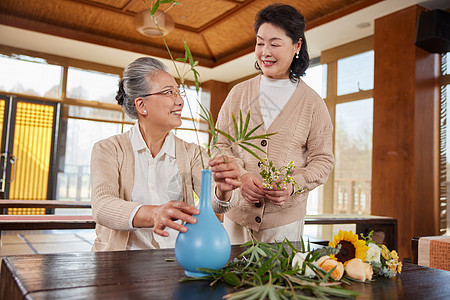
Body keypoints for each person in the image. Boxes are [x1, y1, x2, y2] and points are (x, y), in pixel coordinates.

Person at [90, 57, 241, 251]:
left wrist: (223, 190)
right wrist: (154, 214)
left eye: (179, 92)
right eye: (169, 92)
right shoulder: (108, 149)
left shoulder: (193, 153)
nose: (179, 101)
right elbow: (102, 206)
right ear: (141, 105)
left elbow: (217, 206)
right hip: (119, 264)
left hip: (176, 260)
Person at [214, 4, 334, 244]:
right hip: (238, 219)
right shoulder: (238, 94)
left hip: (284, 226)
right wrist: (242, 176)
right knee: (231, 279)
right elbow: (220, 146)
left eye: (275, 44)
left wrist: (292, 185)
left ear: (297, 46)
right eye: (260, 43)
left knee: (281, 281)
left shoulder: (312, 103)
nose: (265, 52)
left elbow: (323, 160)